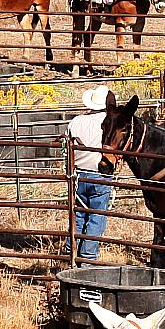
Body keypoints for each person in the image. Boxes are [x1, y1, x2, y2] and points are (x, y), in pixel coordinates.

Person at [67, 86, 115, 264]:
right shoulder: (109, 122)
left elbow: (67, 143)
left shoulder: (77, 121)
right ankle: (87, 257)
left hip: (78, 172)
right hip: (100, 172)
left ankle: (71, 249)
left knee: (78, 213)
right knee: (97, 215)